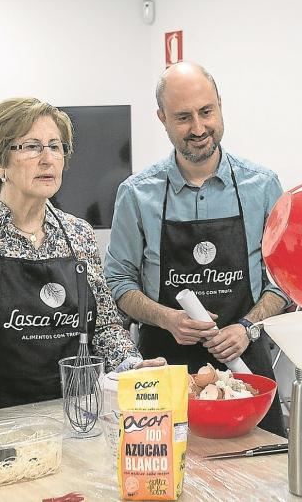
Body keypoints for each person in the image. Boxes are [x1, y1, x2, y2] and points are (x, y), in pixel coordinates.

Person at [0, 97, 162, 499]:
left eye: (55, 146)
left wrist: (132, 367)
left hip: (67, 428)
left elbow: (105, 327)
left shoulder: (77, 235)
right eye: (30, 146)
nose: (48, 158)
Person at [104, 62, 290, 437]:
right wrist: (167, 318)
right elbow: (118, 281)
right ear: (162, 119)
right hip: (163, 367)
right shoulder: (137, 194)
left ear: (220, 104)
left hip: (244, 365)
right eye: (183, 117)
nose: (199, 128)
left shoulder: (263, 186)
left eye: (207, 112)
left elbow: (285, 282)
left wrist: (246, 327)